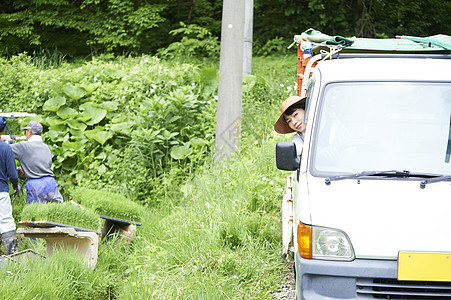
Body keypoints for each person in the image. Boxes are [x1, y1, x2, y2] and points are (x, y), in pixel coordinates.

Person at [11, 121, 64, 204]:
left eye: (26, 131)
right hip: (50, 182)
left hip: (35, 184)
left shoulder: (23, 146)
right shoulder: (46, 147)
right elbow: (47, 164)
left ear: (29, 132)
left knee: (35, 213)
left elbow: (4, 150)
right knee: (58, 210)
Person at [0, 117, 19, 255]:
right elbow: (13, 173)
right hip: (1, 191)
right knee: (6, 221)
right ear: (3, 130)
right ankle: (12, 255)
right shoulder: (5, 148)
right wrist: (15, 185)